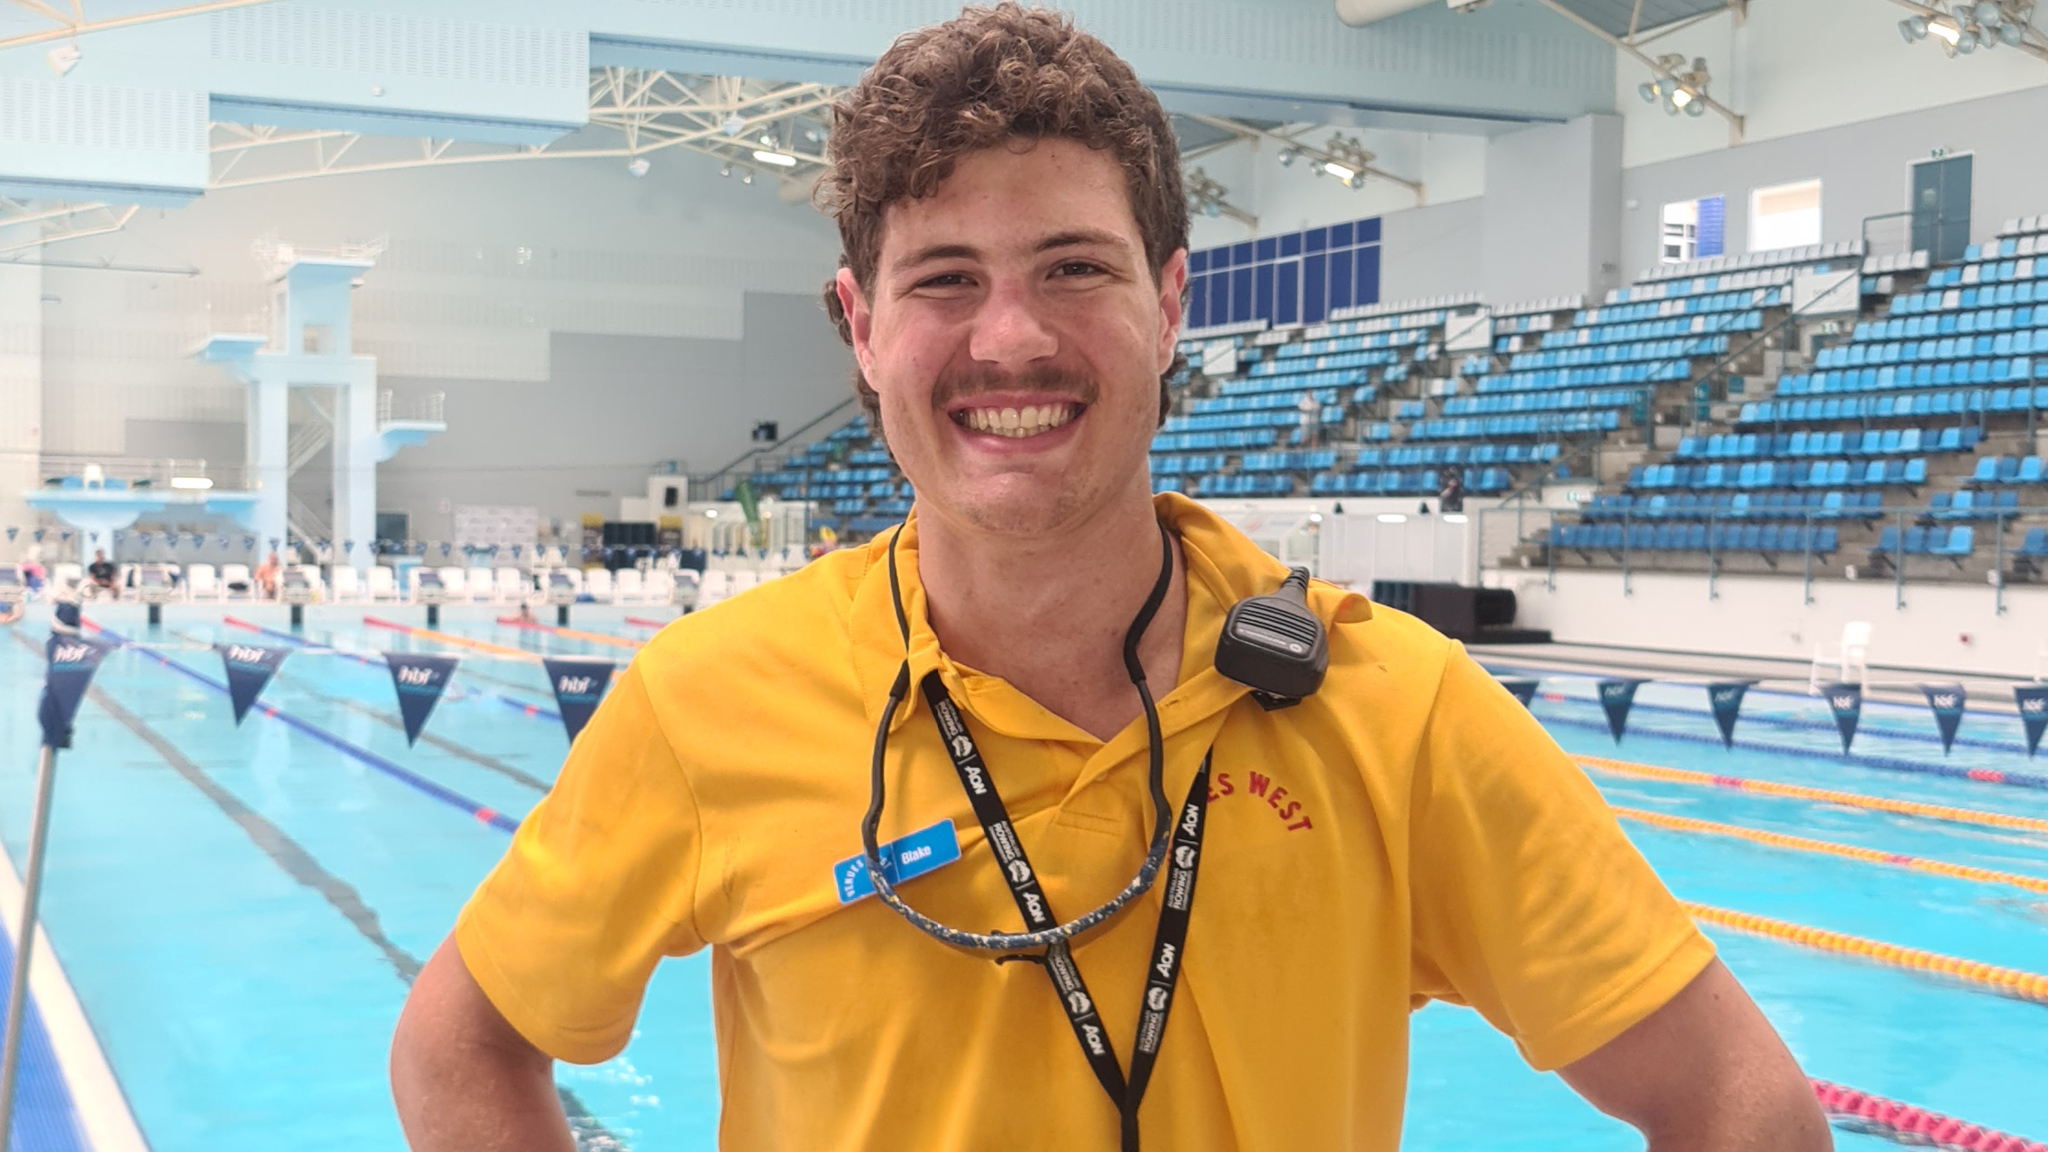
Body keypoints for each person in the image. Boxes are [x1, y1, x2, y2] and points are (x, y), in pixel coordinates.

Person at [389, 8, 1828, 1151]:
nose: (1010, 338)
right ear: (860, 326)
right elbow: (460, 1041)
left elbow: (1742, 1109)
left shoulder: (1398, 711)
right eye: (943, 277)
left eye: (1073, 266)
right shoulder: (711, 702)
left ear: (1172, 301)